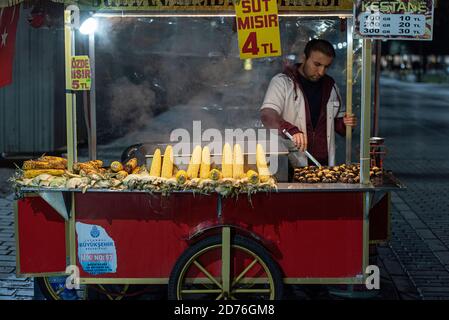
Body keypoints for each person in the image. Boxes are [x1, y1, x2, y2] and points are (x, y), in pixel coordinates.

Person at [260, 39, 357, 167]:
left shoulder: (331, 86)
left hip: (323, 164)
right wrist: (292, 130)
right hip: (292, 161)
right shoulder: (282, 82)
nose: (321, 72)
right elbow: (267, 115)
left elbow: (336, 124)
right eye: (317, 64)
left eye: (326, 67)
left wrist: (345, 124)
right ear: (303, 58)